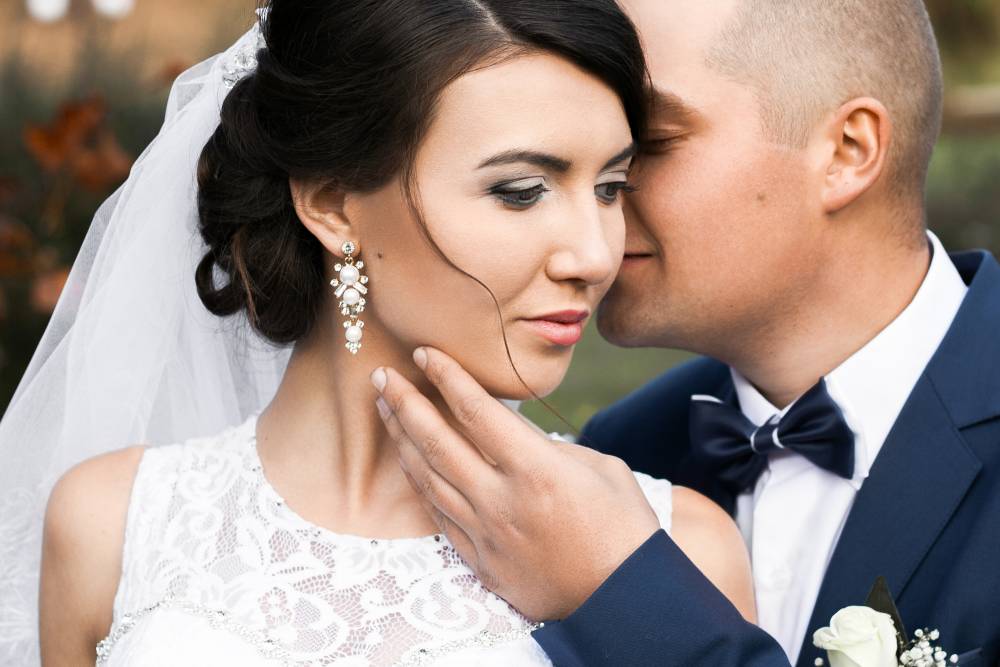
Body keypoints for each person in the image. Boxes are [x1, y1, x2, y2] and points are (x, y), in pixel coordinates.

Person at [0, 1, 757, 665]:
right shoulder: (111, 524)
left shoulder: (678, 552)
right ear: (334, 205)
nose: (594, 255)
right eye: (521, 191)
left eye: (611, 188)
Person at [373, 0, 1000, 665]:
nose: (594, 212)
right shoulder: (621, 454)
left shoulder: (598, 528)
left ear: (848, 151)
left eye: (647, 142)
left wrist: (621, 590)